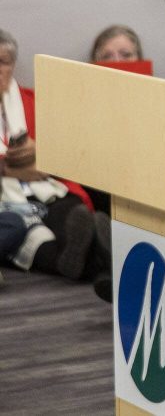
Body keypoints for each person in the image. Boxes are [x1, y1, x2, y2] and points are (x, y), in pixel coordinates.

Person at [0, 29, 111, 297]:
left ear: (13, 66)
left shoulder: (36, 100)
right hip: (6, 199)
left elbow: (68, 147)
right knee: (30, 235)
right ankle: (101, 260)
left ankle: (86, 244)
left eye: (2, 61)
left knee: (70, 211)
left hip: (45, 186)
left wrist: (41, 152)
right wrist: (9, 167)